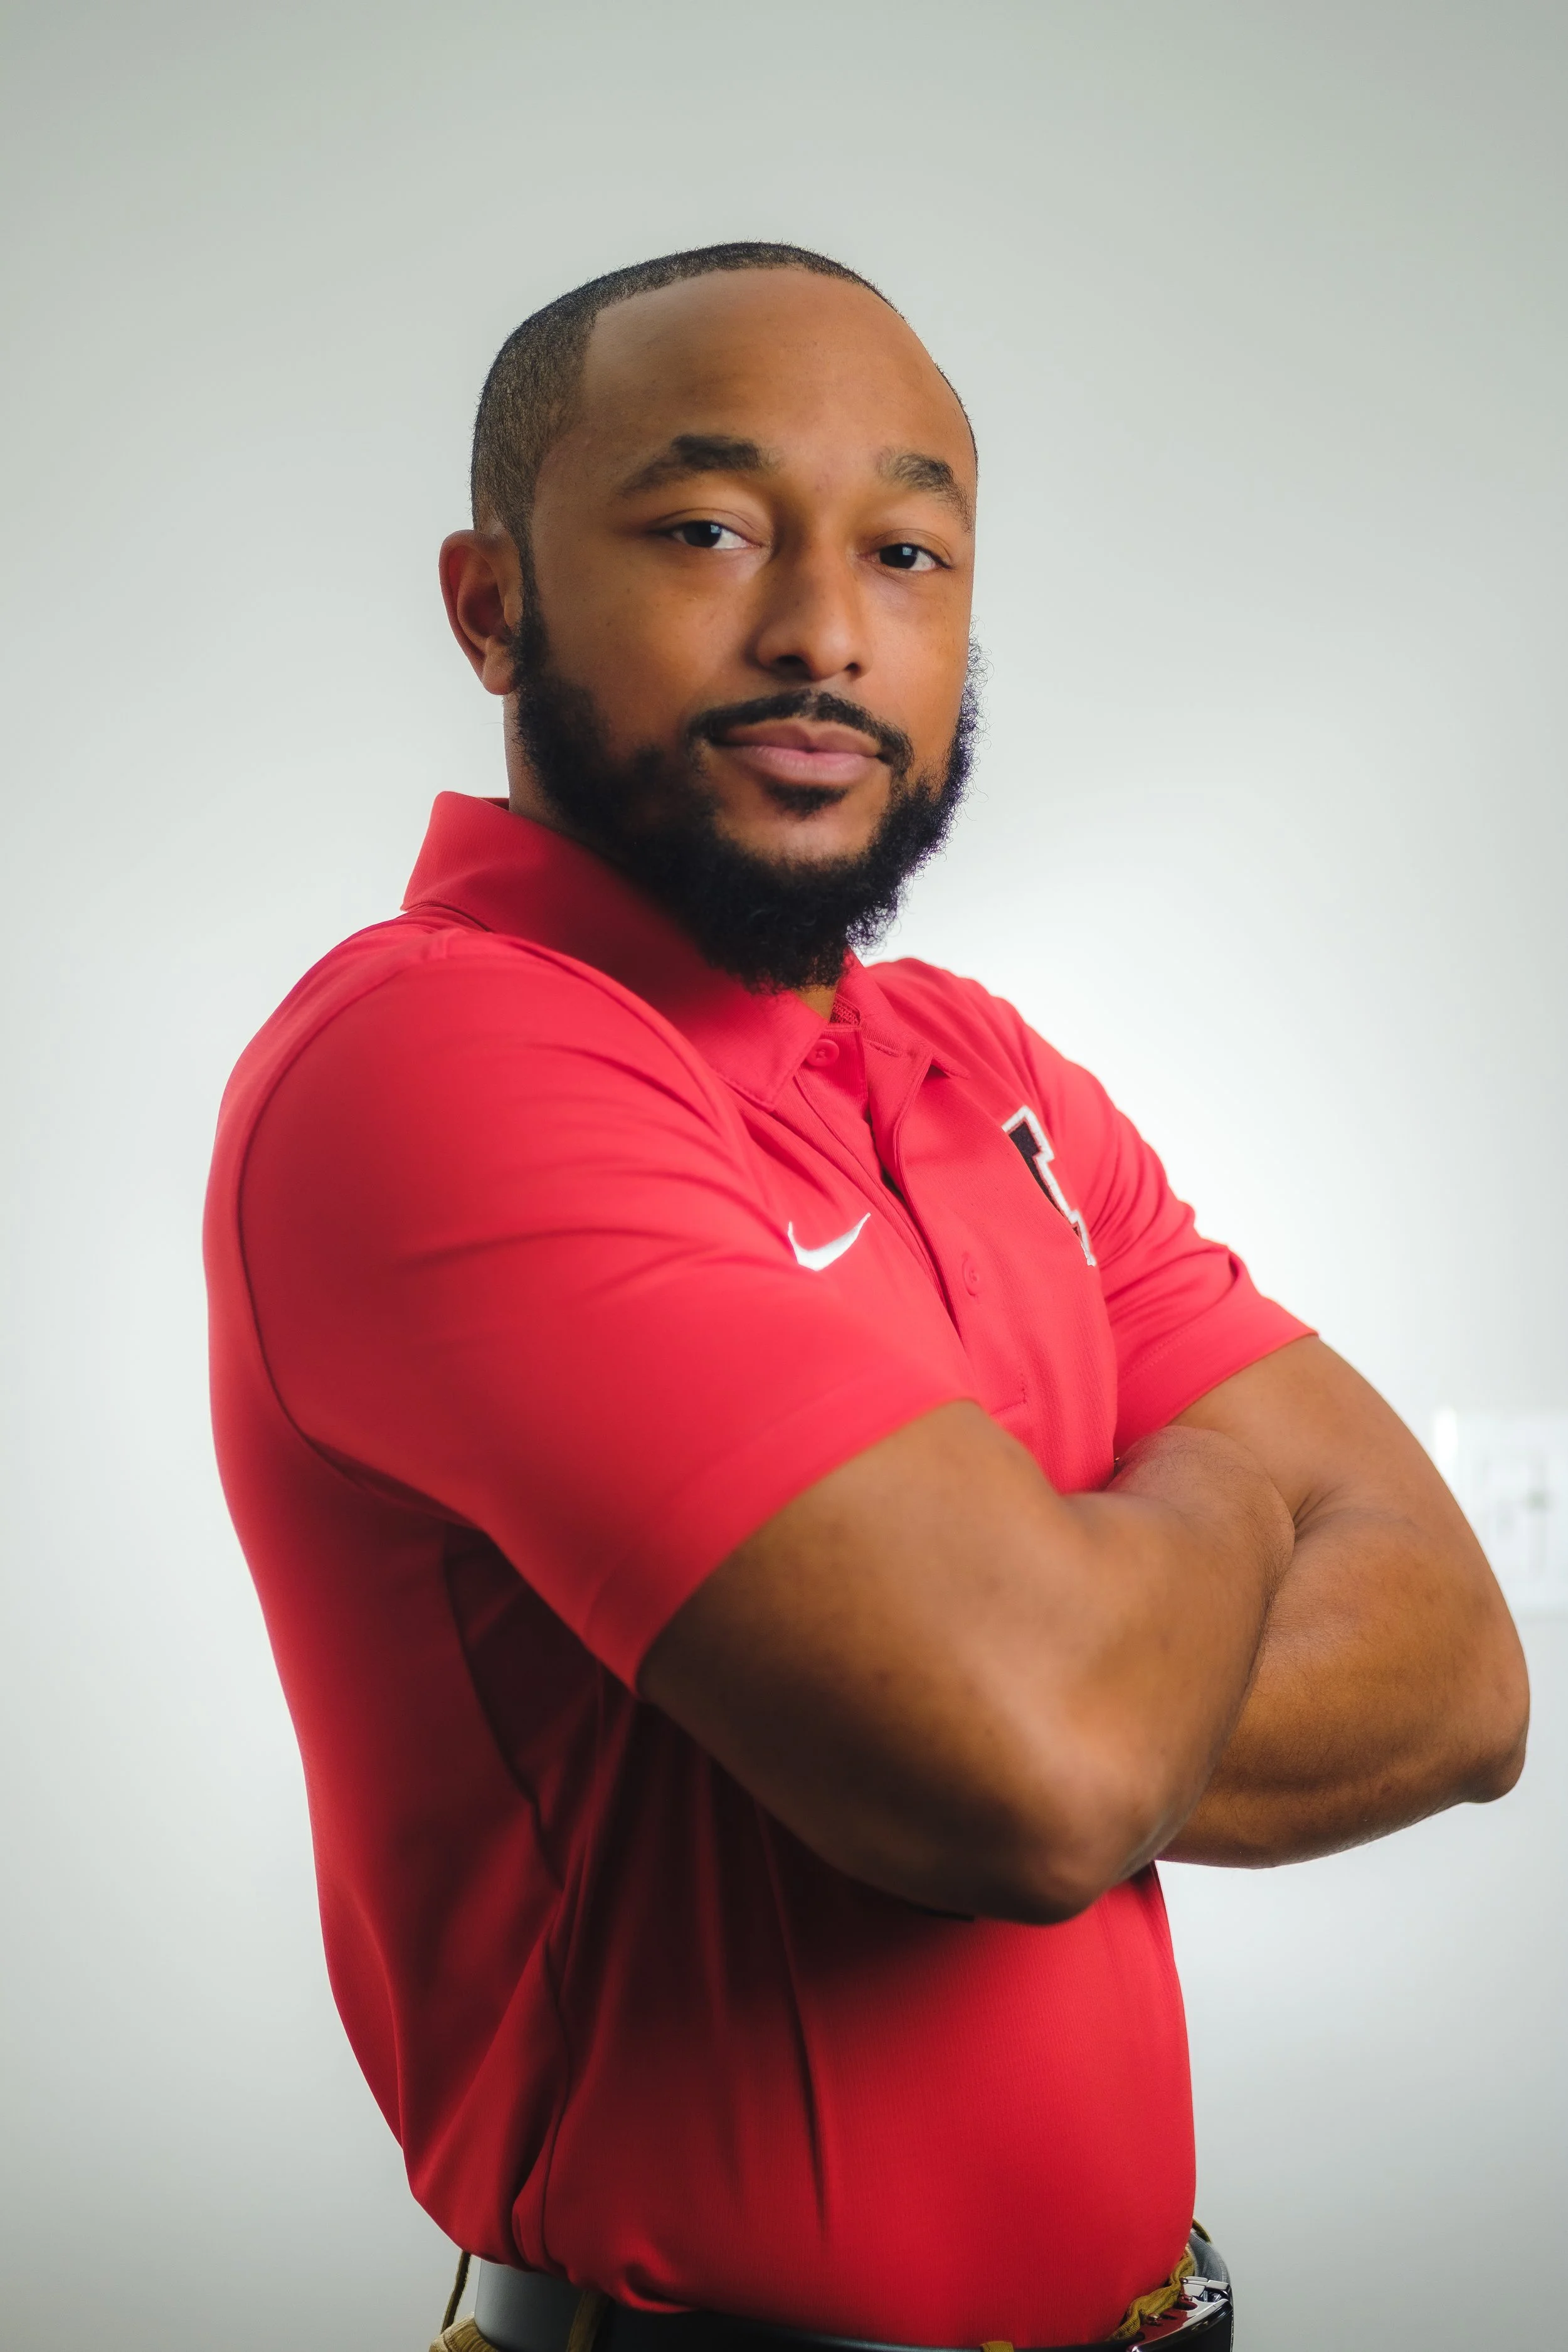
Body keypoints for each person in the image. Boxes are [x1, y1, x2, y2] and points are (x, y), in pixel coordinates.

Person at [204, 242, 1528, 2352]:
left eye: (907, 549)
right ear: (489, 600)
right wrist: (1229, 1506)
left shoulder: (975, 1067)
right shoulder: (431, 1060)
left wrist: (1048, 1622)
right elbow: (1034, 1774)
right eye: (708, 528)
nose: (824, 629)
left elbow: (1460, 1677)